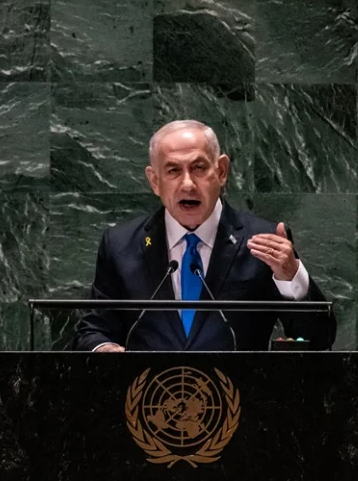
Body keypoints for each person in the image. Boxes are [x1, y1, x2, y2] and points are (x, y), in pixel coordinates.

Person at [73, 120, 336, 352]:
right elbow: (94, 329)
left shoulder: (262, 241)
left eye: (199, 168)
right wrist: (102, 348)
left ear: (221, 171)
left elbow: (318, 339)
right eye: (173, 171)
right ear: (155, 181)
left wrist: (291, 277)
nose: (187, 184)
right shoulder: (120, 245)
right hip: (148, 401)